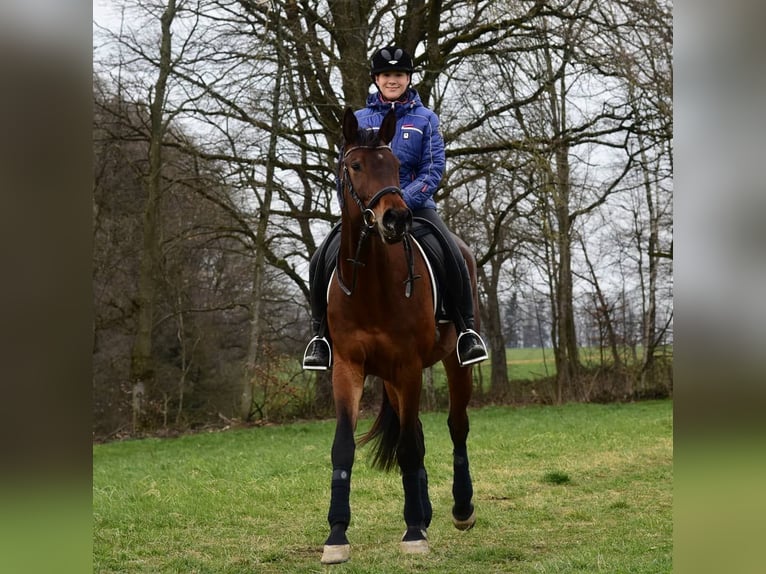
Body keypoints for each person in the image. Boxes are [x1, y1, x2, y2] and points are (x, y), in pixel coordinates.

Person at [303, 45, 488, 370]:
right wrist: (363, 210)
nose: (393, 80)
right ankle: (320, 337)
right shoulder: (359, 120)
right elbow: (343, 173)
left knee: (458, 255)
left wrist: (401, 203)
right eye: (387, 75)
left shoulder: (426, 119)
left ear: (408, 78)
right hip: (366, 214)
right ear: (376, 78)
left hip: (416, 209)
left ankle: (466, 331)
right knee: (321, 258)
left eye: (399, 74)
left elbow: (433, 169)